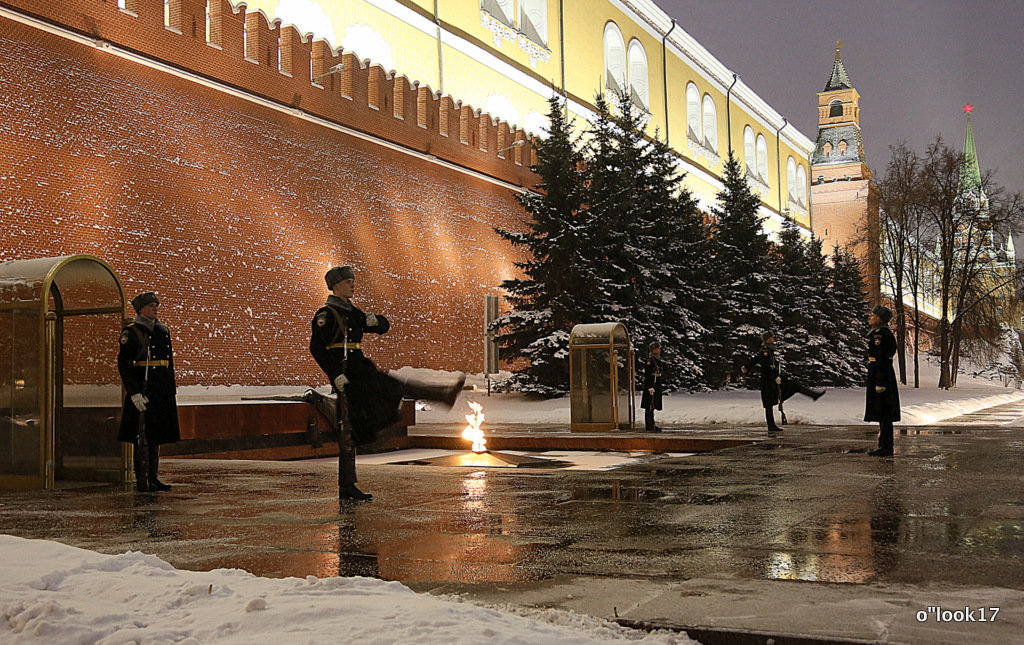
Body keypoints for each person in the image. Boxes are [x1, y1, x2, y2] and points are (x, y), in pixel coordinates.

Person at [309, 265, 465, 501]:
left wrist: (376, 321)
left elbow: (384, 327)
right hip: (347, 372)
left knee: (383, 399)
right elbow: (317, 348)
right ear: (335, 285)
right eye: (348, 281)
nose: (353, 284)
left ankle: (442, 395)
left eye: (353, 280)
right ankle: (347, 485)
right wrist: (335, 376)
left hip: (361, 369)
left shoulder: (353, 312)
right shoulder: (326, 315)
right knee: (353, 426)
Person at [117, 292, 180, 492]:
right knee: (141, 437)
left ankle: (153, 477)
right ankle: (142, 479)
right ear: (141, 309)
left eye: (156, 305)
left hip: (160, 390)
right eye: (151, 305)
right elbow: (124, 365)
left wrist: (170, 390)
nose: (155, 308)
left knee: (155, 436)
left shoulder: (162, 331)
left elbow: (168, 363)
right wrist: (134, 392)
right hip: (143, 388)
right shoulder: (132, 332)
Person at [742, 330, 825, 433]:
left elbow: (756, 359)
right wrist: (775, 377)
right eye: (771, 337)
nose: (773, 338)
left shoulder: (769, 350)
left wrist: (747, 367)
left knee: (793, 386)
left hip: (774, 378)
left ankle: (813, 395)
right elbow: (766, 366)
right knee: (769, 404)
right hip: (768, 380)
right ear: (767, 339)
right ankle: (771, 426)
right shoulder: (766, 351)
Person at [865, 305, 900, 456]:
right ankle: (884, 445)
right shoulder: (882, 334)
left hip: (881, 374)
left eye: (872, 316)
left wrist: (880, 382)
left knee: (884, 412)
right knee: (882, 411)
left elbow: (882, 359)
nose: (870, 318)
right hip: (881, 373)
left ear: (879, 319)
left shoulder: (880, 335)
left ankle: (886, 447)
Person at [640, 341, 664, 432]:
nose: (659, 350)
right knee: (649, 405)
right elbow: (648, 374)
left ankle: (652, 423)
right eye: (658, 348)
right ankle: (649, 425)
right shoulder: (650, 360)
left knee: (653, 404)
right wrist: (650, 386)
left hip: (656, 383)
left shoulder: (657, 359)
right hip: (651, 384)